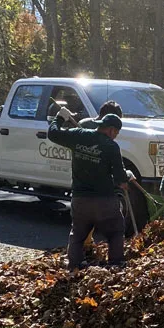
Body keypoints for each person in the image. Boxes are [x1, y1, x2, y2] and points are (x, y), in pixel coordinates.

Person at [48, 108, 128, 271]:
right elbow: (120, 179)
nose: (115, 136)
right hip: (104, 200)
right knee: (115, 231)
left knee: (78, 234)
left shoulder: (79, 135)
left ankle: (75, 265)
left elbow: (53, 134)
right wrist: (127, 176)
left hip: (80, 199)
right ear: (112, 130)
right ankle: (115, 263)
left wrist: (59, 118)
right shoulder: (111, 147)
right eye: (116, 133)